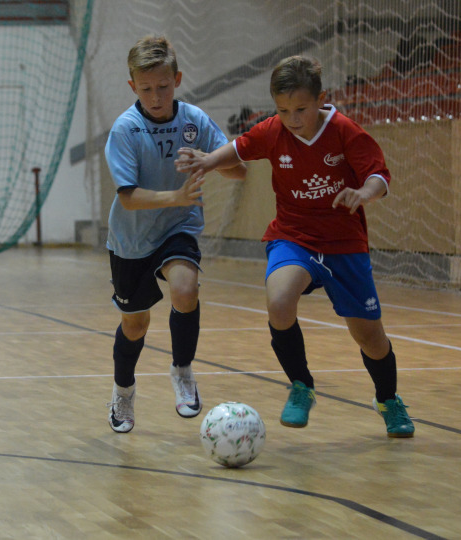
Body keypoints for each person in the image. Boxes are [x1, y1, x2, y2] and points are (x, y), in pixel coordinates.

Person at [175, 56, 415, 438]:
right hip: (293, 236)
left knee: (370, 337)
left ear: (321, 100)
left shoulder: (344, 132)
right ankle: (301, 386)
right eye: (283, 110)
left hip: (343, 242)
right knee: (280, 301)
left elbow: (378, 175)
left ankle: (388, 399)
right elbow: (238, 149)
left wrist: (363, 193)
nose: (292, 118)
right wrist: (207, 159)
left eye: (300, 109)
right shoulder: (274, 131)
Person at [104, 35, 247, 433]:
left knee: (186, 289)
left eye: (163, 86)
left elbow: (240, 170)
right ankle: (124, 391)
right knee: (135, 325)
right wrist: (177, 194)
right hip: (131, 238)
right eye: (146, 88)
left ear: (177, 79)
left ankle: (182, 370)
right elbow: (129, 199)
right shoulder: (126, 130)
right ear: (132, 86)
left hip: (177, 228)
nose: (155, 96)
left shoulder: (195, 121)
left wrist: (212, 159)